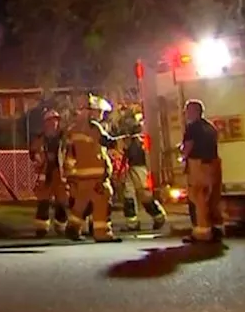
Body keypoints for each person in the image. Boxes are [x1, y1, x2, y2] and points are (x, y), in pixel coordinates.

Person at [63, 93, 121, 242]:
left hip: (81, 177)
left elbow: (69, 155)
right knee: (102, 201)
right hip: (96, 176)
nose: (100, 114)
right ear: (90, 111)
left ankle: (73, 228)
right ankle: (102, 233)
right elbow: (107, 142)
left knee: (81, 203)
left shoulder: (72, 130)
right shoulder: (94, 127)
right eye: (98, 111)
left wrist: (70, 177)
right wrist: (124, 142)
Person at [181, 99, 224, 243]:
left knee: (198, 197)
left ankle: (202, 232)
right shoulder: (210, 127)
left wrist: (182, 157)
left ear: (194, 112)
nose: (186, 114)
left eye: (187, 110)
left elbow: (188, 146)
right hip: (213, 164)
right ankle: (216, 228)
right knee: (211, 198)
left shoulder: (192, 128)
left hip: (198, 165)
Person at [119, 111, 167, 231]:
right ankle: (133, 223)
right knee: (129, 195)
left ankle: (158, 217)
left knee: (142, 195)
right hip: (135, 169)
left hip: (137, 168)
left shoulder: (135, 141)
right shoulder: (139, 140)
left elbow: (130, 156)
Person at [29, 109, 69, 237]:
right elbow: (33, 152)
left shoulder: (64, 138)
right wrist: (37, 157)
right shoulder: (40, 138)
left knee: (61, 202)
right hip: (45, 173)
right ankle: (41, 228)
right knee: (43, 202)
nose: (53, 124)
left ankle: (61, 226)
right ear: (45, 123)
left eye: (56, 121)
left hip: (60, 173)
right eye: (51, 121)